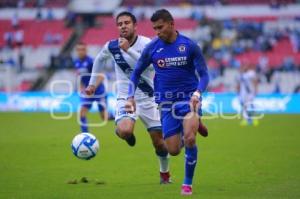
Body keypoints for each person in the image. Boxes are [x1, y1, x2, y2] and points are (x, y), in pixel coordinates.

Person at [125, 9, 209, 195]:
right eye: (154, 28)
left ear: (171, 24)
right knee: (173, 150)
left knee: (189, 138)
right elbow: (136, 73)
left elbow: (204, 75)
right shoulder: (153, 48)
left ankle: (187, 184)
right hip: (166, 103)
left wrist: (197, 93)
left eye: (160, 27)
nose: (157, 32)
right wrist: (130, 96)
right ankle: (196, 125)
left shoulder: (189, 45)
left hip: (189, 100)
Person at [85, 11, 171, 184]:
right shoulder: (111, 46)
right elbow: (99, 60)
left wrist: (129, 50)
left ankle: (164, 174)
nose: (123, 26)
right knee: (125, 131)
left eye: (126, 23)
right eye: (120, 24)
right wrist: (92, 84)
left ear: (135, 25)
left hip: (148, 97)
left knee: (160, 144)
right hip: (126, 96)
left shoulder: (147, 43)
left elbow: (150, 64)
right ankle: (125, 132)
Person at [74, 42, 108, 133]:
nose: (80, 51)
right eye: (78, 50)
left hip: (98, 91)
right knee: (82, 113)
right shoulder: (76, 62)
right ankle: (85, 135)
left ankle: (119, 116)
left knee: (104, 117)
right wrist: (81, 88)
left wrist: (92, 87)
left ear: (86, 50)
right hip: (87, 92)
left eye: (83, 49)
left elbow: (101, 76)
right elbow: (80, 77)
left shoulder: (91, 61)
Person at [237, 62, 258, 126]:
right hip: (242, 93)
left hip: (250, 92)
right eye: (243, 66)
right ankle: (247, 120)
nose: (244, 67)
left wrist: (256, 89)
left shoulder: (251, 73)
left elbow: (255, 81)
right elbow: (238, 84)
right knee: (244, 106)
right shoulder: (240, 75)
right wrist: (238, 92)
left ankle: (253, 119)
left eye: (245, 66)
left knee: (249, 105)